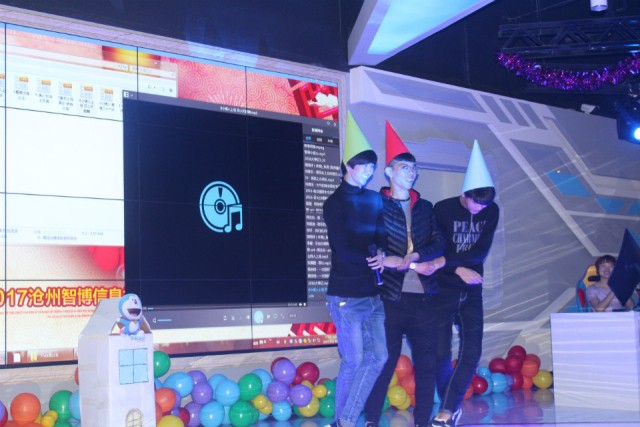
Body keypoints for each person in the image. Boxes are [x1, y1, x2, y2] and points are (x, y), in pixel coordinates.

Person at [363, 121, 446, 427]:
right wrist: (384, 257)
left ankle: (422, 421)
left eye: (414, 168)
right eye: (404, 167)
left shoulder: (425, 207)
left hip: (424, 297)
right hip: (389, 297)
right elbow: (368, 240)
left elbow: (440, 242)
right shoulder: (375, 204)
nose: (411, 173)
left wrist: (416, 256)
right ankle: (371, 420)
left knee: (427, 363)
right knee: (383, 362)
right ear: (389, 172)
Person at [418, 141, 499, 427]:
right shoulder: (443, 209)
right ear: (465, 194)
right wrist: (457, 267)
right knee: (441, 354)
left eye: (484, 205)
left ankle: (447, 410)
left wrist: (457, 265)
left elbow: (480, 252)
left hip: (472, 288)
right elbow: (437, 249)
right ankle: (448, 405)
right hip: (444, 288)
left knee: (472, 351)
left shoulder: (490, 211)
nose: (479, 209)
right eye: (476, 203)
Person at [323, 111, 388, 427]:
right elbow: (342, 248)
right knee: (353, 361)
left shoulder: (375, 199)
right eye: (364, 166)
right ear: (348, 166)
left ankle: (345, 420)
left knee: (379, 357)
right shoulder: (334, 203)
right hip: (346, 295)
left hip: (373, 294)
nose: (369, 172)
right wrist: (369, 260)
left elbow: (380, 236)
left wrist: (383, 253)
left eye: (372, 167)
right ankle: (345, 421)